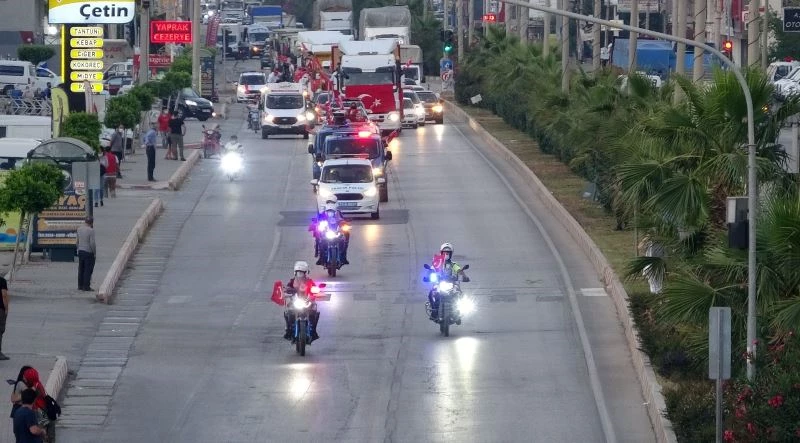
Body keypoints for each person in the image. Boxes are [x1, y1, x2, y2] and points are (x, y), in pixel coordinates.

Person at [428, 242, 470, 320]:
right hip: (439, 283)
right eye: (444, 252)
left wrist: (465, 277)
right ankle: (434, 312)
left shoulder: (453, 264)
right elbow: (431, 269)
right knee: (431, 293)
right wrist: (428, 276)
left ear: (451, 254)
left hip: (451, 283)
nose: (446, 254)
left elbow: (459, 270)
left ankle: (457, 312)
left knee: (459, 294)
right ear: (441, 253)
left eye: (448, 253)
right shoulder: (437, 263)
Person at [282, 261, 320, 341]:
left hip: (307, 301)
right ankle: (288, 330)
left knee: (315, 312)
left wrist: (315, 290)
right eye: (298, 273)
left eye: (302, 273)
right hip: (296, 301)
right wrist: (287, 290)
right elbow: (287, 288)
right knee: (288, 312)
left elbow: (315, 288)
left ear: (306, 273)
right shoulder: (292, 281)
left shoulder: (309, 281)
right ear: (295, 273)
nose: (300, 274)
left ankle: (313, 330)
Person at [311, 198, 349, 265]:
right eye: (329, 202)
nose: (331, 204)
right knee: (318, 236)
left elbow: (343, 219)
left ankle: (344, 257)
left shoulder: (338, 213)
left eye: (332, 202)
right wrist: (318, 223)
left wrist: (344, 225)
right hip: (326, 232)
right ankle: (320, 256)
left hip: (336, 231)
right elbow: (318, 219)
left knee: (345, 238)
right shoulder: (323, 213)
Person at [77, 216, 96, 292]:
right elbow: (92, 243)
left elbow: (77, 241)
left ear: (85, 221)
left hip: (81, 251)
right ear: (92, 223)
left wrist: (78, 249)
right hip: (88, 252)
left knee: (81, 269)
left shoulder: (79, 229)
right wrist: (94, 252)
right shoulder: (91, 231)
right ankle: (86, 286)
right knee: (87, 270)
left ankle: (80, 285)